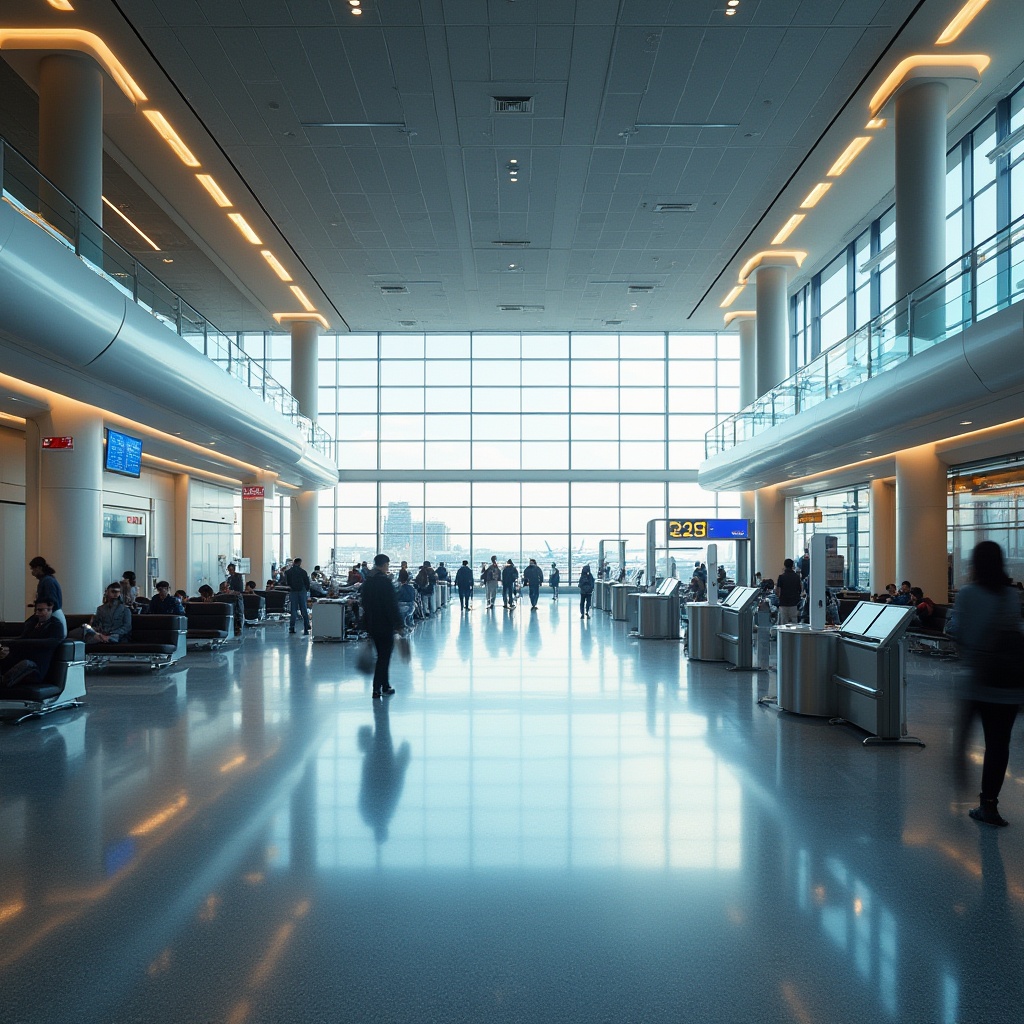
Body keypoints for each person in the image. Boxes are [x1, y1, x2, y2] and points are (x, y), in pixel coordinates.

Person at [947, 541, 1024, 826]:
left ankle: (959, 781)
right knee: (998, 745)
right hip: (1008, 684)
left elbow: (958, 632)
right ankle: (989, 804)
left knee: (963, 736)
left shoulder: (968, 594)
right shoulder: (1011, 595)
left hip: (977, 679)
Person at [361, 554, 403, 699]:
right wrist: (399, 623)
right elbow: (392, 605)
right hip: (384, 624)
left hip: (371, 624)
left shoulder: (368, 581)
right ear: (385, 564)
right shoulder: (385, 582)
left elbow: (364, 602)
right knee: (384, 657)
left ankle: (385, 685)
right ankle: (376, 688)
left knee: (381, 656)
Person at [0, 598, 64, 689]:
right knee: (5, 656)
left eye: (41, 610)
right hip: (24, 659)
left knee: (27, 664)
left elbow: (49, 643)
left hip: (37, 667)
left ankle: (3, 681)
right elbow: (22, 639)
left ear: (50, 609)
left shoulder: (56, 625)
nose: (37, 613)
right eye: (36, 610)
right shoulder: (33, 623)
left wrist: (13, 643)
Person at [67, 583, 132, 644]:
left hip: (117, 636)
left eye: (118, 592)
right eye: (113, 592)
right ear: (107, 592)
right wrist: (97, 632)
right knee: (84, 628)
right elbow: (96, 624)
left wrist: (111, 633)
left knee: (116, 637)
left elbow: (127, 627)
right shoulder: (101, 609)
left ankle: (104, 638)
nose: (115, 595)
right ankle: (100, 638)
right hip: (101, 634)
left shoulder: (125, 610)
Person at [29, 556, 66, 636]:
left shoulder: (47, 582)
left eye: (33, 569)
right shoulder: (49, 580)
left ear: (39, 568)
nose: (32, 573)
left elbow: (49, 600)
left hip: (52, 616)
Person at [284, 556, 311, 635]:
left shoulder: (288, 572)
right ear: (299, 563)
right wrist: (306, 589)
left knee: (293, 610)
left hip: (293, 591)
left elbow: (288, 583)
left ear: (293, 562)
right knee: (304, 610)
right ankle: (306, 628)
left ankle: (292, 628)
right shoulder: (303, 572)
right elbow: (307, 583)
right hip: (302, 591)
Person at [776, 558, 802, 626]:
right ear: (792, 566)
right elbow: (799, 590)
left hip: (783, 603)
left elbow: (778, 591)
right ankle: (794, 637)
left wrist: (779, 598)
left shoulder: (781, 577)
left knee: (783, 624)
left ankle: (784, 637)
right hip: (793, 604)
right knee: (794, 624)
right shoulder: (796, 577)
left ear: (784, 566)